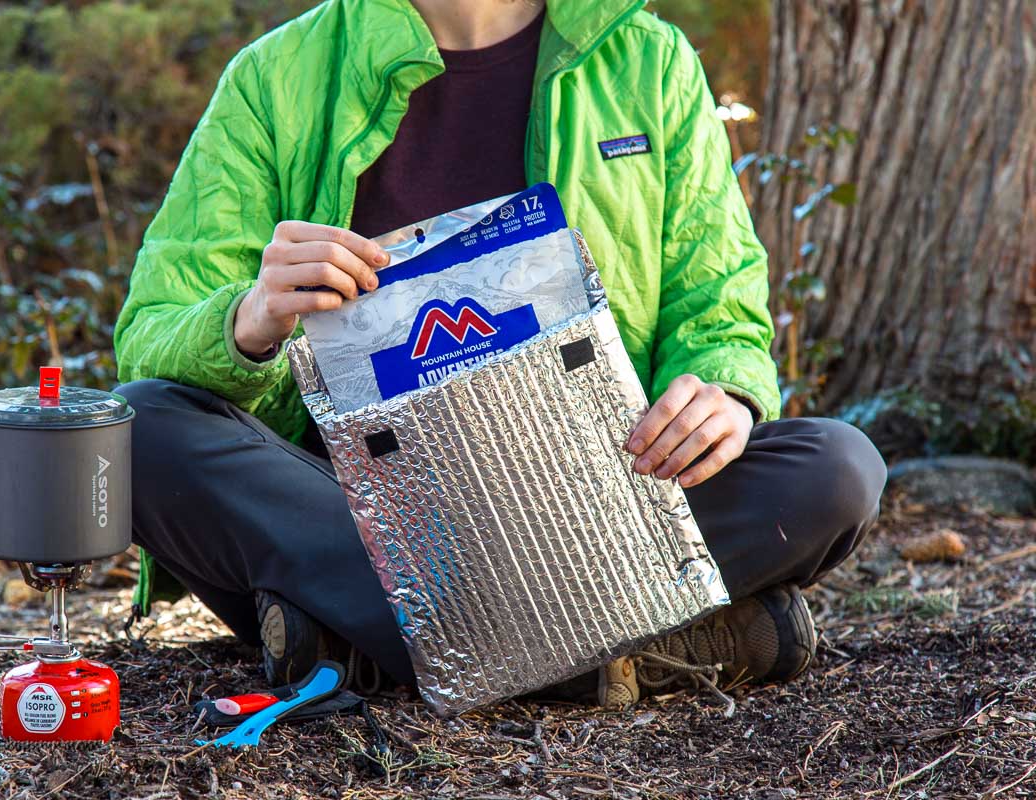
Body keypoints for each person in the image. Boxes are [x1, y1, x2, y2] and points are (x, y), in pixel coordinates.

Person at [113, 0, 887, 707]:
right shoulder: (275, 78)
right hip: (351, 516)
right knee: (133, 429)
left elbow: (717, 299)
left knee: (837, 469)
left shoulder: (649, 63)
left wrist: (725, 394)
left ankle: (361, 643)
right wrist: (251, 319)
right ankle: (627, 654)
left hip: (601, 507)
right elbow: (153, 328)